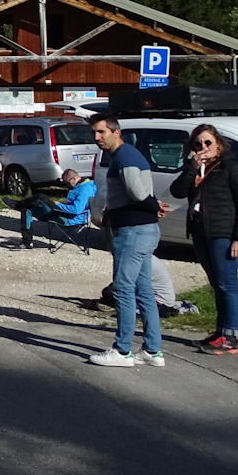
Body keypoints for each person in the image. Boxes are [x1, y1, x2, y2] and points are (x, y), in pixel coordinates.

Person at [88, 115, 165, 368]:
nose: (97, 138)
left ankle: (122, 351)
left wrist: (153, 205)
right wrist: (153, 206)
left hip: (132, 231)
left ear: (115, 132)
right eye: (95, 133)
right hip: (143, 230)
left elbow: (137, 192)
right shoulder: (127, 155)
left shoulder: (123, 156)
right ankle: (152, 350)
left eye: (101, 132)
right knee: (144, 291)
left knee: (123, 288)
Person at [172, 124, 238, 355]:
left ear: (218, 143)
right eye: (198, 144)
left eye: (207, 143)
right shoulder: (196, 167)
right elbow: (177, 191)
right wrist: (192, 168)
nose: (203, 147)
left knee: (228, 283)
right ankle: (220, 331)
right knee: (217, 283)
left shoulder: (230, 168)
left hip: (223, 233)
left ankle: (232, 336)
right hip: (200, 231)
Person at [9, 168, 95, 247]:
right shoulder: (83, 186)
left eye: (67, 183)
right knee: (27, 209)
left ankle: (19, 205)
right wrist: (61, 204)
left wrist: (57, 205)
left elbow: (76, 210)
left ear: (74, 179)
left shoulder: (85, 190)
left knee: (40, 197)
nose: (67, 186)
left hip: (70, 220)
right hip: (64, 214)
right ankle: (27, 242)